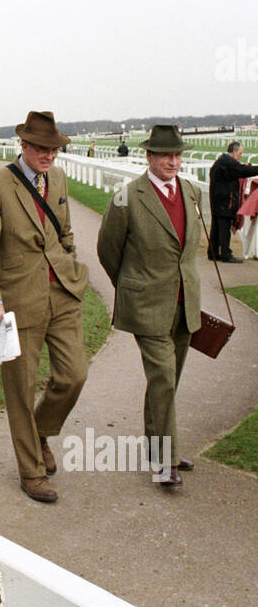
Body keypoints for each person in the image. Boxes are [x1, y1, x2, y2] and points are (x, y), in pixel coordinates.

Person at [0, 111, 89, 503]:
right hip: (17, 300)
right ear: (23, 145)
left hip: (63, 292)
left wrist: (71, 262)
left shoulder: (57, 177)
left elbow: (65, 228)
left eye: (53, 149)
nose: (48, 156)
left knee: (74, 375)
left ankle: (40, 431)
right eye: (40, 148)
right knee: (20, 389)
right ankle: (31, 472)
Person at [96, 124, 202, 490]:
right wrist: (131, 287)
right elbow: (108, 251)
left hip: (184, 304)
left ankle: (158, 449)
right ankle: (167, 462)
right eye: (164, 156)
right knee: (162, 379)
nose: (173, 162)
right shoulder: (126, 197)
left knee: (168, 381)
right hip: (147, 305)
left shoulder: (189, 191)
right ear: (149, 157)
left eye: (177, 155)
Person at [208, 141, 258, 263]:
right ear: (234, 152)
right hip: (226, 201)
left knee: (216, 228)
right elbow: (244, 171)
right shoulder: (229, 162)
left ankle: (213, 253)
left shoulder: (221, 161)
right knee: (224, 228)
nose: (241, 155)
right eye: (240, 153)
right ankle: (226, 254)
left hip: (216, 200)